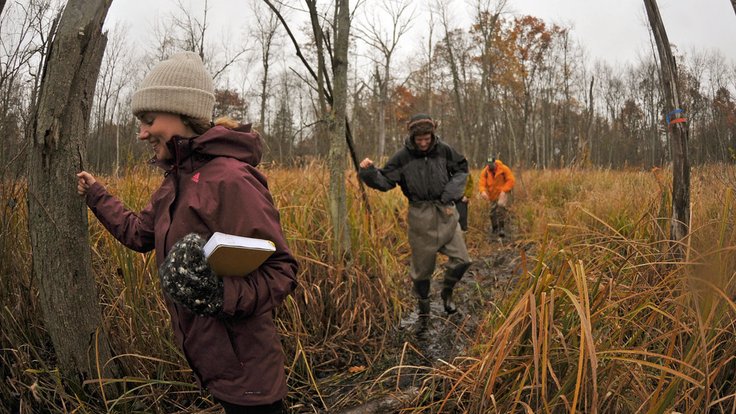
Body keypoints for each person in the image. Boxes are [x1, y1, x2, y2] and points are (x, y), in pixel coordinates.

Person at [76, 52, 297, 414]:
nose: (141, 132)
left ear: (183, 114)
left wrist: (218, 293)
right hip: (215, 364)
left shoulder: (231, 179)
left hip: (249, 374)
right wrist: (97, 195)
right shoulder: (175, 181)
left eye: (148, 120)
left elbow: (281, 271)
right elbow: (139, 234)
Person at [358, 113, 472, 315]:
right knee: (421, 273)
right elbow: (385, 181)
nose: (423, 143)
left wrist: (450, 195)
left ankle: (447, 293)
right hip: (420, 215)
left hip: (446, 211)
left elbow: (462, 169)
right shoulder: (403, 157)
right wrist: (369, 172)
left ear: (432, 134)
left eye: (426, 139)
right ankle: (424, 306)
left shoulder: (444, 150)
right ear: (412, 137)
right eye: (419, 139)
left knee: (462, 260)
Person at [478, 155, 515, 238]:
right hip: (492, 195)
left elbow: (511, 180)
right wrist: (482, 192)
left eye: (491, 164)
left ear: (495, 163)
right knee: (492, 213)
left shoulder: (504, 169)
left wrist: (504, 190)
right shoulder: (485, 172)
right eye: (488, 164)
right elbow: (481, 183)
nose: (490, 166)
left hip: (503, 193)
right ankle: (495, 229)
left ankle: (502, 228)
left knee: (501, 206)